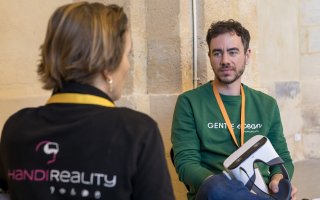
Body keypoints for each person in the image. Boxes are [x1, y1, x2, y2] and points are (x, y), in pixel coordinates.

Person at [0, 2, 175, 200]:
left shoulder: (16, 128)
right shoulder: (137, 132)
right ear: (107, 64)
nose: (127, 65)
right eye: (128, 55)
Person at [171, 19, 297, 200]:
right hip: (215, 194)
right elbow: (186, 163)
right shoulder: (189, 102)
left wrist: (278, 179)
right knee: (216, 187)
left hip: (261, 190)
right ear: (209, 56)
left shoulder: (267, 104)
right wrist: (223, 185)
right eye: (217, 53)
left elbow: (281, 159)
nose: (225, 60)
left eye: (232, 52)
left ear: (247, 55)